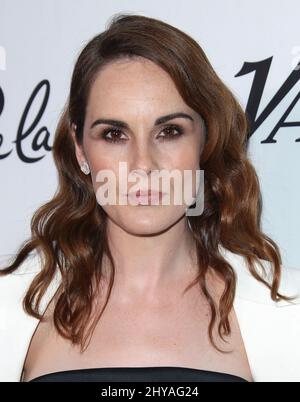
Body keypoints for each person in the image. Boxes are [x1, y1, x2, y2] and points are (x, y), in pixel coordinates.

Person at [0, 13, 299, 383]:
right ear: (80, 149)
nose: (143, 165)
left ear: (205, 141)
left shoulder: (288, 311)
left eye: (169, 131)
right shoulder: (8, 306)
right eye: (113, 134)